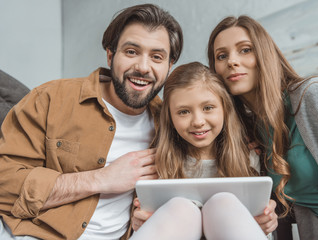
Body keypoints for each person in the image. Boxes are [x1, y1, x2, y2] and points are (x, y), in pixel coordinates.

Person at [0, 4, 183, 240]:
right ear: (110, 54)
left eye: (156, 57)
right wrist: (100, 179)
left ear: (170, 66)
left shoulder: (173, 124)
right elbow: (4, 182)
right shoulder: (51, 99)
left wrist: (147, 217)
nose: (143, 67)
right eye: (131, 52)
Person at [207, 15, 318, 239]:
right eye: (222, 56)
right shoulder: (251, 131)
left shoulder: (313, 97)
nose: (232, 61)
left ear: (265, 54)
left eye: (245, 49)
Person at [130, 62, 278, 240]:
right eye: (184, 112)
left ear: (225, 108)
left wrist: (267, 221)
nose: (198, 121)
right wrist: (140, 222)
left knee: (223, 203)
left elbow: (259, 221)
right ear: (170, 118)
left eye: (208, 108)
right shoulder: (156, 163)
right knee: (180, 208)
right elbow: (147, 218)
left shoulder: (248, 154)